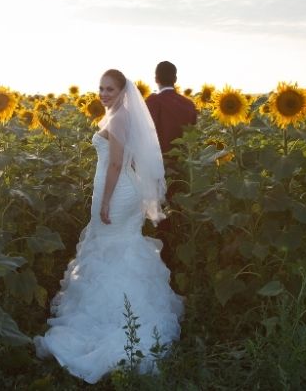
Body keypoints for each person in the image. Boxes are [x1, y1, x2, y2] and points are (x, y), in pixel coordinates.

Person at [34, 69, 183, 384]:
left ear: (122, 90)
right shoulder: (124, 116)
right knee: (124, 246)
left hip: (115, 191)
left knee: (109, 248)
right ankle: (133, 315)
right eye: (101, 88)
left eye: (110, 89)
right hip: (125, 189)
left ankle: (113, 322)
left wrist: (104, 201)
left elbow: (115, 163)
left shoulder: (117, 119)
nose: (103, 94)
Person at [145, 61, 198, 270]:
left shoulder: (153, 102)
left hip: (159, 167)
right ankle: (181, 255)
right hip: (185, 168)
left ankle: (164, 259)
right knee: (180, 210)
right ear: (175, 79)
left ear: (156, 78)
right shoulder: (188, 104)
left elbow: (146, 136)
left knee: (160, 215)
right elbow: (194, 136)